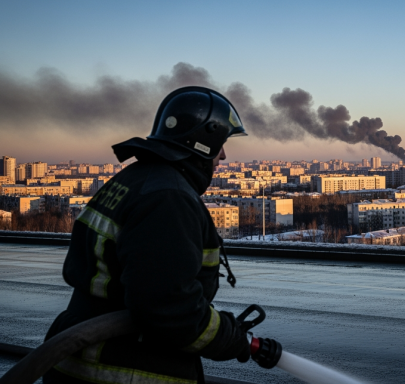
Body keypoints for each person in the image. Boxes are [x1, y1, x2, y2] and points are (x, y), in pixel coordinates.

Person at [44, 86, 252, 384]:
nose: (223, 154)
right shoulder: (169, 199)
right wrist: (231, 338)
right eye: (220, 143)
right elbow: (168, 308)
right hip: (124, 368)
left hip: (80, 357)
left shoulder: (135, 179)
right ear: (202, 141)